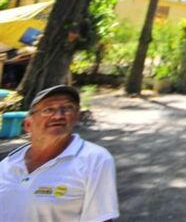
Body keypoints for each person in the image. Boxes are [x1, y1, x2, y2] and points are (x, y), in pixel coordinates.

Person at [0, 85, 119, 221]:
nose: (58, 116)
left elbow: (101, 219)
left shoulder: (94, 159)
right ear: (28, 124)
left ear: (76, 118)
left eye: (67, 108)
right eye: (48, 109)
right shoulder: (8, 164)